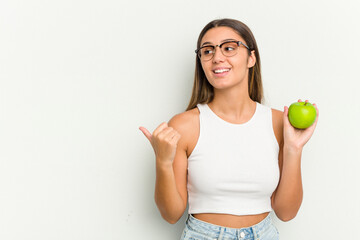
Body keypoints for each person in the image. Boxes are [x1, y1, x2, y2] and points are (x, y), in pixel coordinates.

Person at [139, 18, 319, 240]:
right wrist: (163, 162)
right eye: (207, 51)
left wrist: (294, 148)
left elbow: (286, 212)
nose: (217, 57)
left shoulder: (278, 122)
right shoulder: (184, 125)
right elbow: (171, 214)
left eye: (229, 48)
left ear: (251, 58)